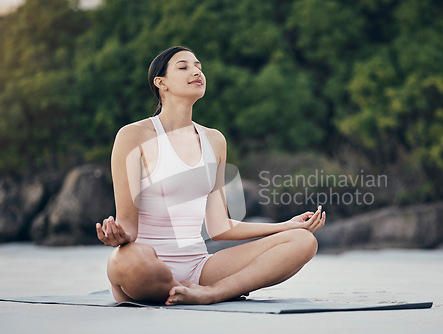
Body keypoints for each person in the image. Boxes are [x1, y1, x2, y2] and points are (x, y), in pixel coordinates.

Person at [96, 46, 326, 306]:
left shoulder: (214, 140)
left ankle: (213, 292)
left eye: (198, 67)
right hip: (144, 262)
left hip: (199, 268)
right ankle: (177, 289)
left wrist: (287, 225)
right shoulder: (133, 135)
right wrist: (115, 234)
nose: (196, 71)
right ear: (161, 83)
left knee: (303, 241)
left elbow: (219, 226)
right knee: (132, 261)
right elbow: (128, 225)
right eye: (183, 67)